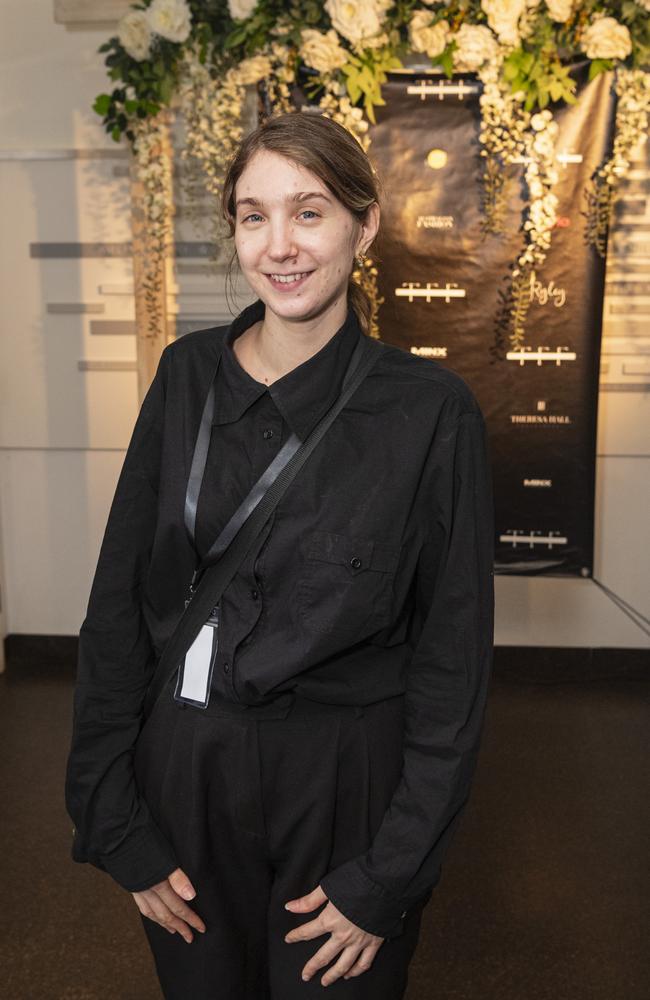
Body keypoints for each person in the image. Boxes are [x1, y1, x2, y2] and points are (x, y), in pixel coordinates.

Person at [65, 110, 495, 999]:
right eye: (253, 215)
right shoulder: (186, 376)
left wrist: (390, 877)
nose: (279, 245)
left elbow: (452, 666)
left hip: (346, 783)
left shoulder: (429, 413)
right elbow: (118, 609)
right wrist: (115, 820)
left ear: (364, 225)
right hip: (187, 771)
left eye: (309, 211)